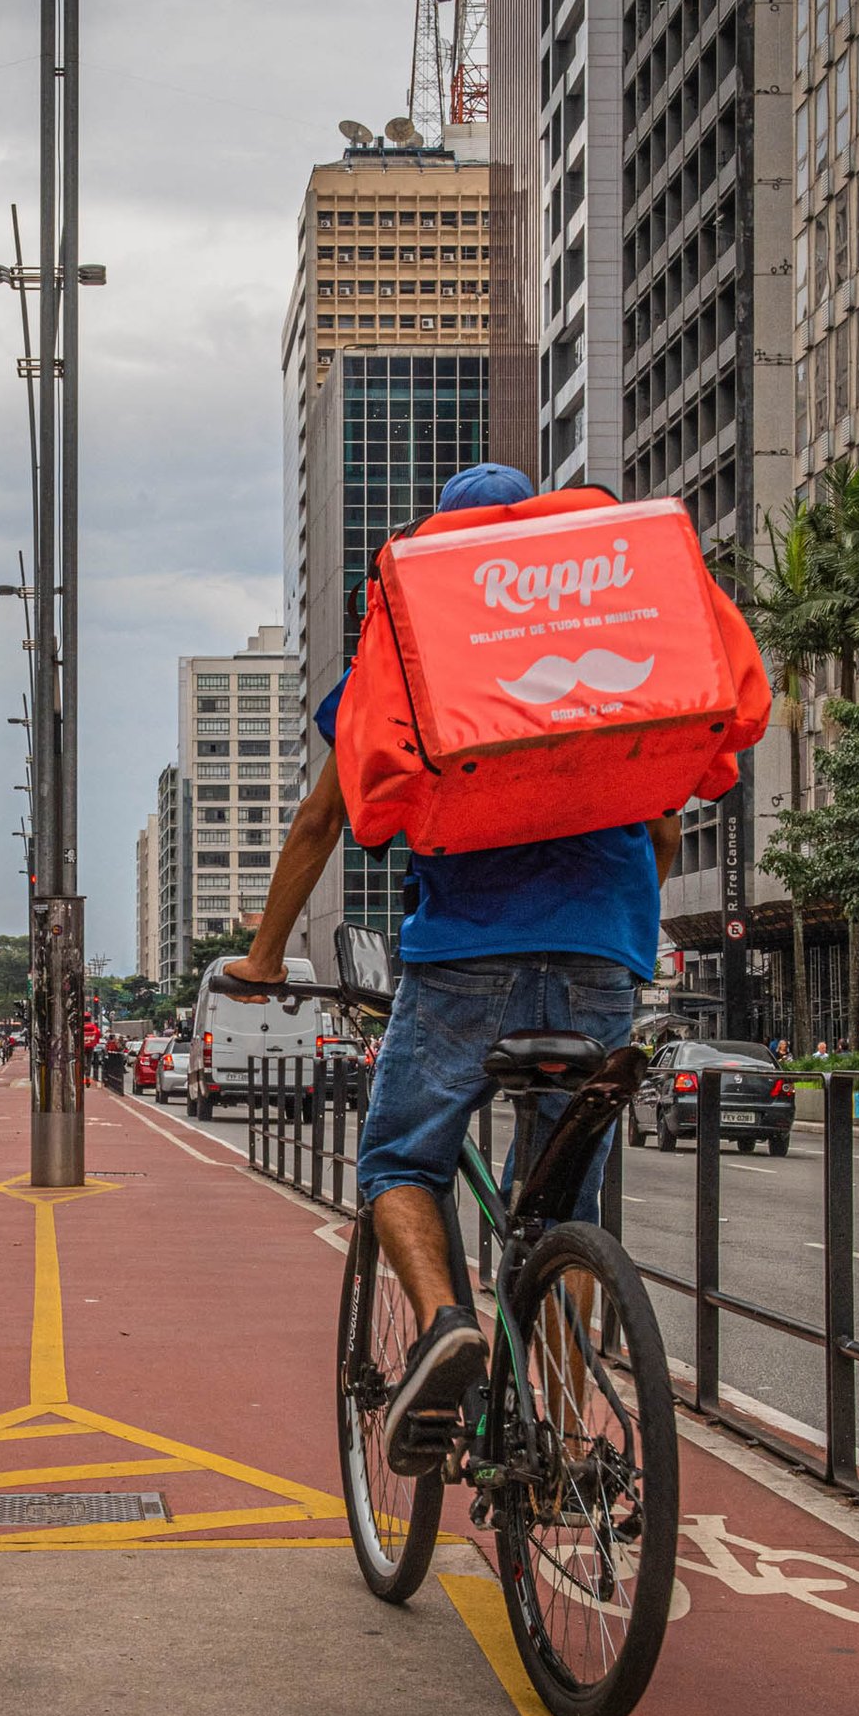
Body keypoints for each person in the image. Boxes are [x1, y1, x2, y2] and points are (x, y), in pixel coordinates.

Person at [223, 462, 681, 1478]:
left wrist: (263, 957)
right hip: (603, 957)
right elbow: (661, 817)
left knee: (397, 1164)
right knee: (560, 1215)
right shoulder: (609, 645)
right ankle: (561, 1450)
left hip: (464, 958)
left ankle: (441, 1327)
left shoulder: (410, 656)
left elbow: (318, 820)